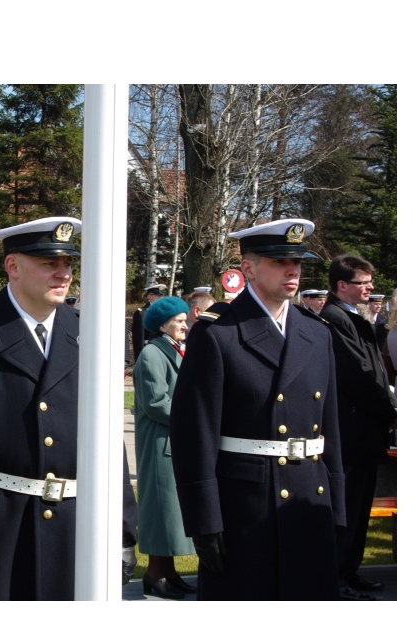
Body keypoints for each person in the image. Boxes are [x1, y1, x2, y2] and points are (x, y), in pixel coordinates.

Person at [0, 216, 131, 600]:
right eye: (49, 263)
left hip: (77, 530)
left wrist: (123, 530)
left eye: (68, 263)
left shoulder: (90, 333)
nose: (63, 273)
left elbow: (110, 442)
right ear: (12, 266)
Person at [169, 218, 346, 600]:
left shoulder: (316, 332)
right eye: (280, 261)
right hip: (247, 509)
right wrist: (204, 520)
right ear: (248, 268)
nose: (293, 270)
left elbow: (329, 425)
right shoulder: (219, 333)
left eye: (297, 262)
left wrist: (337, 506)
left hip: (308, 502)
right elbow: (194, 433)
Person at [319, 254, 397, 600]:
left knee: (360, 506)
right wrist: (389, 409)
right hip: (351, 432)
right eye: (363, 282)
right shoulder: (335, 318)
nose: (370, 287)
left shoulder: (351, 316)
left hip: (364, 431)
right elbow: (358, 376)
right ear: (342, 286)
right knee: (346, 508)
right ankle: (335, 576)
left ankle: (350, 570)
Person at [133, 296, 196, 599]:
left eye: (185, 319)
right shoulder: (151, 354)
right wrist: (194, 417)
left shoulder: (172, 349)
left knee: (171, 514)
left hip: (173, 442)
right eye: (180, 320)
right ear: (162, 325)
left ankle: (168, 573)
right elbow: (156, 402)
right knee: (162, 513)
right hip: (160, 444)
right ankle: (155, 575)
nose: (185, 324)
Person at [132, 283, 166, 363]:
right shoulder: (142, 313)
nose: (161, 298)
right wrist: (140, 359)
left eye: (161, 295)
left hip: (164, 350)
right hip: (150, 351)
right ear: (149, 296)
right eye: (158, 295)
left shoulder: (167, 312)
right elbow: (139, 339)